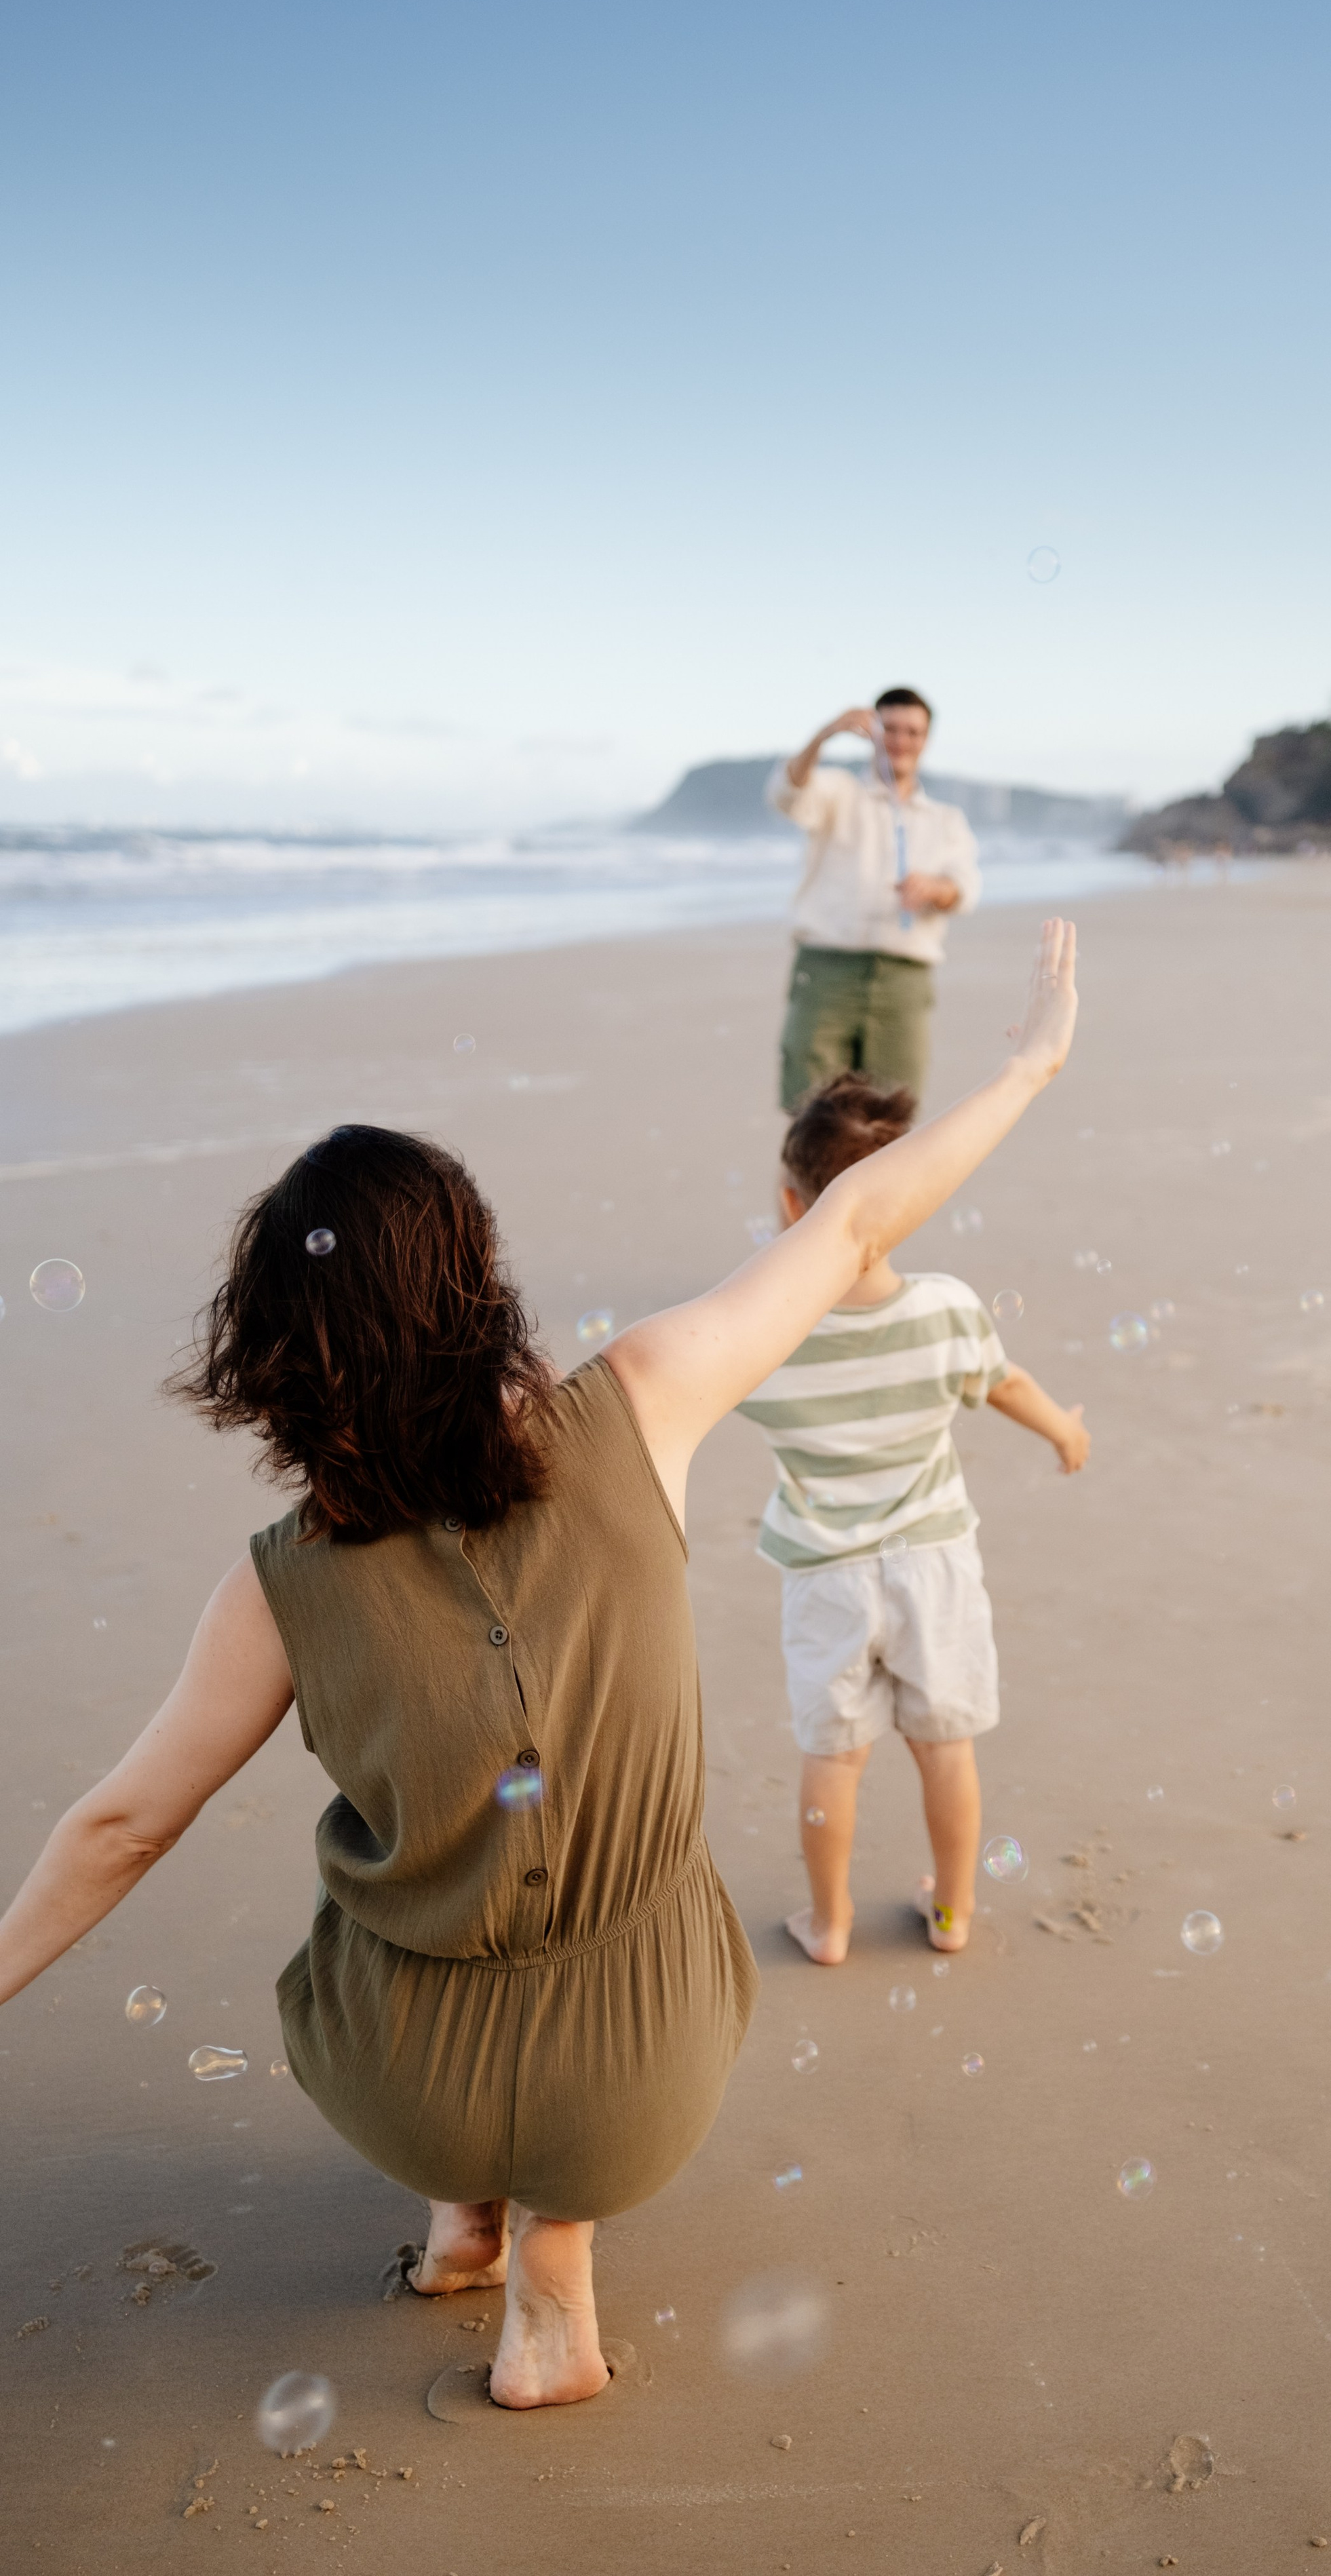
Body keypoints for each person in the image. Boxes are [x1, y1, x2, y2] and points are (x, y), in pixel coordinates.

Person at [0, 920, 1078, 2414]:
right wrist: (1027, 1064)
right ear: (478, 1283)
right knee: (633, 1875)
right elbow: (843, 1230)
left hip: (400, 2086)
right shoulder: (639, 1403)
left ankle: (459, 2212)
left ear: (283, 1349)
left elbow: (125, 1825)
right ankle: (551, 2291)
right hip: (639, 2080)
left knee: (369, 1869)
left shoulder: (276, 1588)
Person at [737, 1071, 1092, 1967]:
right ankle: (955, 1914)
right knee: (946, 1748)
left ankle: (830, 1923)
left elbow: (690, 1396)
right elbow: (1006, 1383)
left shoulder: (768, 1334)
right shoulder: (944, 1309)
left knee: (835, 1759)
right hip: (933, 1565)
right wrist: (1064, 1429)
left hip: (826, 1574)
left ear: (791, 1205)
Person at [770, 687, 982, 1113]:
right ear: (872, 732)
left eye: (913, 732)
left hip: (904, 980)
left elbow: (966, 887)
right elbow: (787, 794)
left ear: (926, 740)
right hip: (827, 971)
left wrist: (936, 889)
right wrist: (824, 734)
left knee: (891, 1124)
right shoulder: (838, 792)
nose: (901, 740)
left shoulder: (946, 820)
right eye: (891, 728)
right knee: (809, 1120)